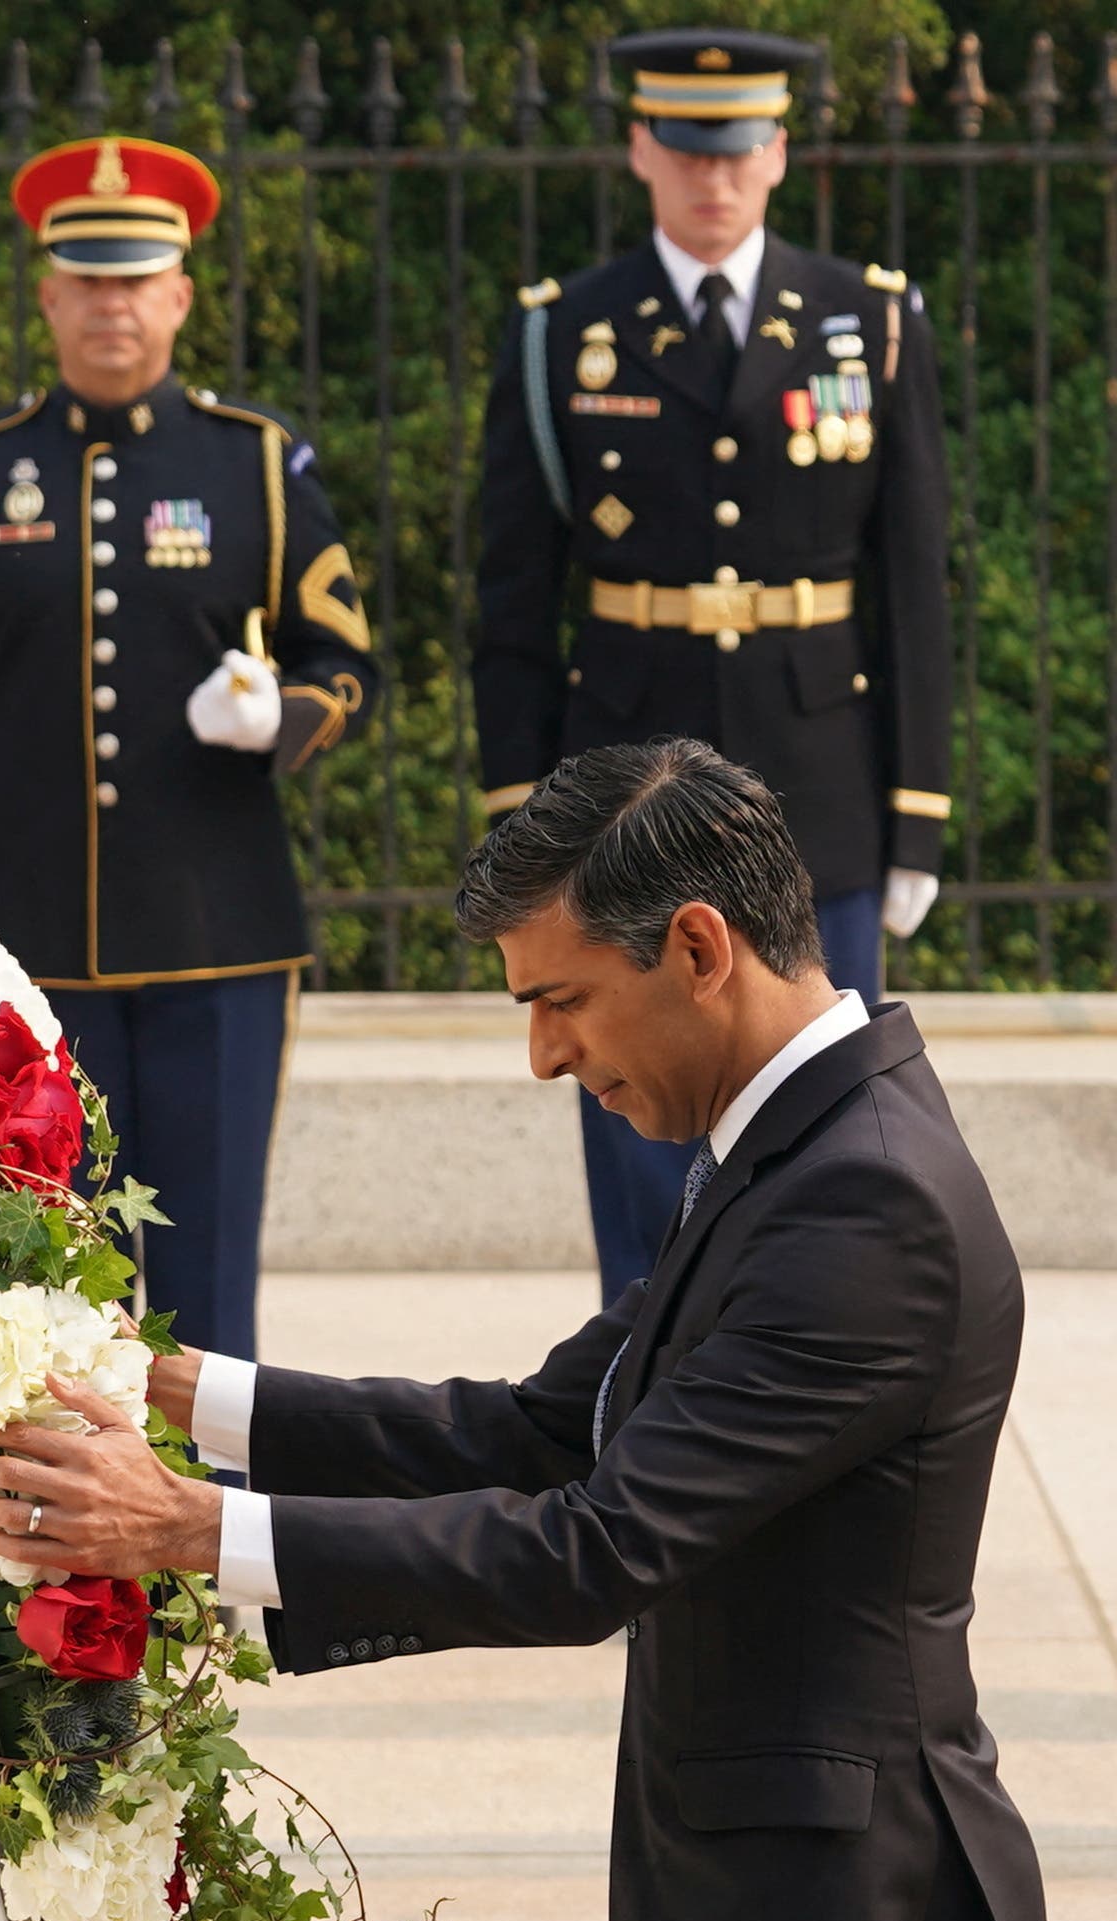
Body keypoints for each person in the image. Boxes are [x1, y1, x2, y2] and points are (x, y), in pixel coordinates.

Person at [0, 738, 1063, 1921]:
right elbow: (543, 1427)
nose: (544, 1056)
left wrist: (188, 1527)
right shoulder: (789, 1151)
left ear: (696, 948)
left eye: (559, 999)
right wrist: (168, 1382)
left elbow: (594, 1548)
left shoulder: (860, 1201)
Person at [0, 135, 381, 1385]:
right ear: (46, 295)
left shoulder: (252, 462)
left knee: (205, 1279)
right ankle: (60, 1565)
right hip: (25, 942)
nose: (110, 303)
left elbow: (347, 658)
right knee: (38, 1269)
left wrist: (283, 715)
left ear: (178, 296)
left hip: (220, 934)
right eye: (84, 279)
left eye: (134, 278)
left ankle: (214, 1550)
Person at [475, 30, 954, 1299]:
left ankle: (799, 1379)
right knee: (637, 1121)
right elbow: (512, 600)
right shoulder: (562, 332)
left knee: (820, 1133)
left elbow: (910, 589)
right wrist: (516, 821)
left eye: (737, 147)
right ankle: (630, 1408)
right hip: (621, 789)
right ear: (640, 148)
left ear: (778, 152)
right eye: (685, 147)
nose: (711, 176)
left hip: (819, 786)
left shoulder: (869, 319)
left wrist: (916, 817)